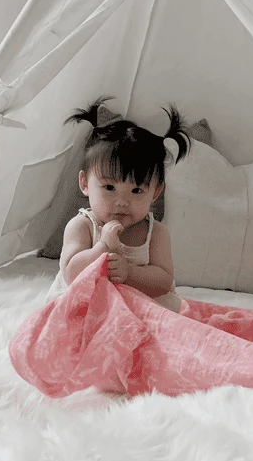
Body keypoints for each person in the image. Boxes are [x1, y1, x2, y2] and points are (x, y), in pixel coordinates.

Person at [44, 98, 191, 312]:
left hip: (139, 310)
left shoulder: (155, 233)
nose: (122, 202)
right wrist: (102, 247)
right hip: (87, 308)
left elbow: (163, 281)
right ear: (84, 183)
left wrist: (130, 273)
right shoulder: (83, 226)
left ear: (156, 192)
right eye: (109, 187)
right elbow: (71, 273)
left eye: (136, 191)